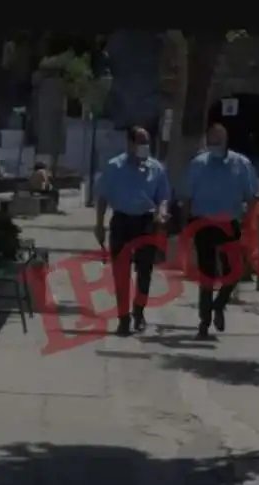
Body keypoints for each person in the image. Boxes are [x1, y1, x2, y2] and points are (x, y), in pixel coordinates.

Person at [181, 123, 259, 340]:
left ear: (226, 140)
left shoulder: (240, 164)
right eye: (211, 140)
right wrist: (186, 227)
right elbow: (187, 196)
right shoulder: (198, 165)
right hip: (203, 223)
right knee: (206, 275)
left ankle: (219, 305)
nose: (214, 144)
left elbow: (253, 196)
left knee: (234, 271)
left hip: (229, 224)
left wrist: (247, 223)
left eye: (218, 140)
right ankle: (204, 323)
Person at [93, 126, 170, 336]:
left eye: (146, 142)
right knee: (121, 272)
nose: (144, 147)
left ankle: (139, 311)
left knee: (145, 271)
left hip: (146, 222)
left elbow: (163, 196)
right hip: (122, 222)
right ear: (129, 144)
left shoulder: (156, 168)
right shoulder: (114, 167)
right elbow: (102, 197)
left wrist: (161, 212)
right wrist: (99, 224)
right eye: (140, 142)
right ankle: (123, 319)